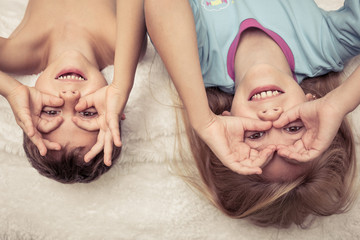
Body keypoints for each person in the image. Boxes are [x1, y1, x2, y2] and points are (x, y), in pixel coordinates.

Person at [139, 0, 359, 227]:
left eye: (256, 135)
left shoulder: (195, 60)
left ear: (228, 121)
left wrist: (203, 120)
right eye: (292, 127)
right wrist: (339, 103)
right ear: (312, 103)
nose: (271, 116)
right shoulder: (326, 45)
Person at [0, 0, 146, 183]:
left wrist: (11, 90)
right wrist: (121, 85)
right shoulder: (123, 48)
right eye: (87, 112)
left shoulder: (21, 54)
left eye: (51, 111)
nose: (70, 96)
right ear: (112, 107)